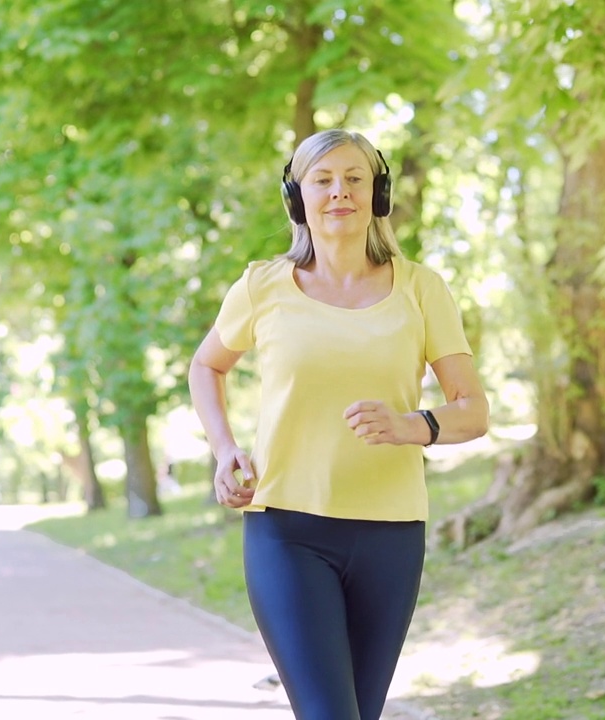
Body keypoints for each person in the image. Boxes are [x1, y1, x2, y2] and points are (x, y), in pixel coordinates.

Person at [188, 128, 489, 720]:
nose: (339, 192)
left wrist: (413, 425)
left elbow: (473, 410)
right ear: (297, 198)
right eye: (322, 180)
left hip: (391, 533)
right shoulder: (263, 285)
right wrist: (224, 450)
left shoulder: (422, 289)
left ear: (378, 193)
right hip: (286, 529)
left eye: (354, 179)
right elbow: (206, 365)